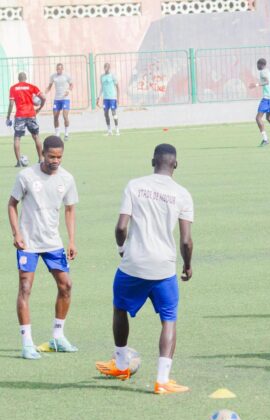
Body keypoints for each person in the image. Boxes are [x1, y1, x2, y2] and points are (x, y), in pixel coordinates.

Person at [95, 144, 194, 395]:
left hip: (133, 263)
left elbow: (121, 227)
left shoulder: (135, 185)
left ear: (153, 161)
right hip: (164, 268)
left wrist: (122, 248)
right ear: (175, 164)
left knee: (119, 309)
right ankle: (162, 380)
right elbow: (186, 240)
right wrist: (187, 265)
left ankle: (121, 365)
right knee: (168, 320)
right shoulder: (182, 194)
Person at [7, 135, 79, 359]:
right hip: (28, 242)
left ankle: (57, 337)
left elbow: (70, 210)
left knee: (66, 285)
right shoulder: (26, 176)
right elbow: (12, 205)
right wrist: (16, 233)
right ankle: (27, 343)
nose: (55, 161)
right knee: (25, 288)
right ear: (43, 154)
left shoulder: (67, 179)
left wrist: (71, 240)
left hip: (52, 242)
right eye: (51, 157)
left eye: (59, 157)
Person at [6, 72, 46, 167]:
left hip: (20, 115)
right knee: (36, 136)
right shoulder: (31, 87)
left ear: (18, 78)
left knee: (17, 138)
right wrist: (39, 108)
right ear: (26, 78)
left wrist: (8, 117)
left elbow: (11, 104)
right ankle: (41, 159)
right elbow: (44, 98)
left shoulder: (13, 88)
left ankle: (19, 162)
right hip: (31, 114)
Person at [249, 58, 270, 147]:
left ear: (261, 64)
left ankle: (265, 139)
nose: (257, 66)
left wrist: (256, 85)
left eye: (257, 65)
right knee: (268, 117)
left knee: (258, 118)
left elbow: (267, 82)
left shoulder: (263, 72)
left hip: (267, 98)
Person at [45, 63, 73, 141]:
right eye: (57, 69)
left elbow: (71, 85)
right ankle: (57, 134)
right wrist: (46, 91)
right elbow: (49, 86)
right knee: (55, 116)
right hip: (57, 99)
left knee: (65, 116)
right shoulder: (53, 76)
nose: (59, 70)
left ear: (62, 69)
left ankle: (66, 134)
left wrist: (68, 91)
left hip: (65, 99)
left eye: (60, 69)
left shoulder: (66, 76)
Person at [96, 62, 120, 136]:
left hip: (112, 98)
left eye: (107, 67)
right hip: (105, 99)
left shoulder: (112, 76)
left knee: (113, 113)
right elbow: (102, 87)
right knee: (105, 113)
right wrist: (98, 97)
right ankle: (109, 130)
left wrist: (118, 98)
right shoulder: (102, 76)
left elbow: (117, 87)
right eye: (105, 67)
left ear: (109, 68)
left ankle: (117, 129)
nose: (106, 69)